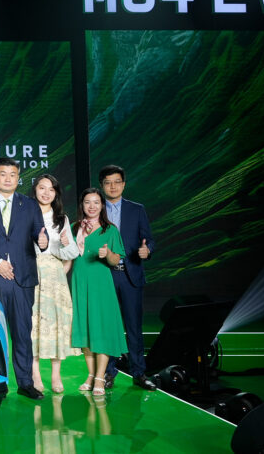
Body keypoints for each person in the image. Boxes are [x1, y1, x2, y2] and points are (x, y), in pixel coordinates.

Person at [0, 157, 49, 400]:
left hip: (22, 279)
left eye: (13, 174)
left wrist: (43, 241)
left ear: (18, 178)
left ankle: (25, 382)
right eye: (3, 174)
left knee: (22, 333)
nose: (8, 179)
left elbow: (39, 232)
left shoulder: (29, 205)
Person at [98, 164, 158, 391]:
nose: (112, 186)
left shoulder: (137, 209)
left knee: (134, 326)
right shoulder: (96, 208)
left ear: (123, 184)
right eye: (108, 183)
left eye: (117, 182)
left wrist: (147, 251)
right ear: (102, 186)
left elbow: (149, 239)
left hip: (130, 275)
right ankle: (108, 372)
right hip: (105, 276)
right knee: (108, 327)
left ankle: (139, 373)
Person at [69, 187, 127, 396]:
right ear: (82, 205)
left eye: (96, 202)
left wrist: (108, 253)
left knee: (101, 330)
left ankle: (101, 377)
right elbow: (68, 256)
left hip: (100, 285)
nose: (91, 206)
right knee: (85, 330)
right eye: (87, 202)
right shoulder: (74, 227)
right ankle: (91, 375)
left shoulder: (109, 230)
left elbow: (115, 260)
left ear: (102, 205)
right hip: (79, 283)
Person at [29, 174, 81, 394]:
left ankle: (56, 374)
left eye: (51, 189)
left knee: (57, 325)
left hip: (55, 276)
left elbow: (71, 253)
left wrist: (66, 244)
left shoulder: (61, 219)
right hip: (31, 272)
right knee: (34, 324)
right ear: (35, 190)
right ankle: (35, 374)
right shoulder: (25, 214)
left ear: (56, 193)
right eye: (42, 188)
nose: (46, 193)